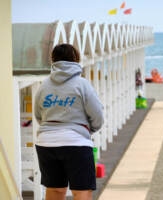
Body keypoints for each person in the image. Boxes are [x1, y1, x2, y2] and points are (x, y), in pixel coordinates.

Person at [34, 43, 104, 200]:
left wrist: (52, 127)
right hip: (76, 142)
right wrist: (86, 130)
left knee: (55, 190)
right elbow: (97, 115)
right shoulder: (82, 84)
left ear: (53, 60)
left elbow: (39, 115)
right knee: (82, 191)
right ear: (76, 60)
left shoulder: (44, 85)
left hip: (47, 142)